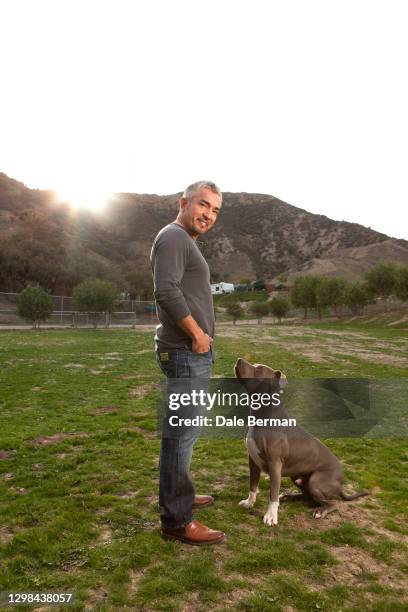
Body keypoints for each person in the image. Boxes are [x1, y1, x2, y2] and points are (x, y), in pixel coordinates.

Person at [150, 180, 225, 545]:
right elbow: (165, 290)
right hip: (185, 352)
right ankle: (177, 520)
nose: (208, 215)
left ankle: (177, 496)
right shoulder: (175, 237)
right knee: (181, 435)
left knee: (181, 435)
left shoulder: (183, 241)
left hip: (186, 353)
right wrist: (197, 334)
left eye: (215, 210)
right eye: (203, 205)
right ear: (184, 202)